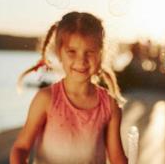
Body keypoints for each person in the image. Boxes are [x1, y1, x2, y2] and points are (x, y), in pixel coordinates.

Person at [10, 11, 128, 164]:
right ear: (59, 53)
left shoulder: (110, 106)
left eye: (90, 52)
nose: (81, 60)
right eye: (72, 52)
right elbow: (21, 147)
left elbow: (117, 158)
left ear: (101, 55)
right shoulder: (46, 99)